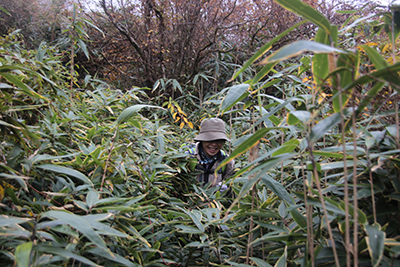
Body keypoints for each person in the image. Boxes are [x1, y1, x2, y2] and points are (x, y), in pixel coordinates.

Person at [182, 118, 235, 190]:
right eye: (209, 140)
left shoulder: (227, 162)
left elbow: (231, 189)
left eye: (218, 140)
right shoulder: (187, 157)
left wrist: (227, 190)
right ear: (202, 140)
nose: (214, 144)